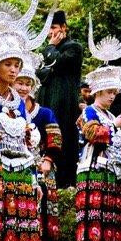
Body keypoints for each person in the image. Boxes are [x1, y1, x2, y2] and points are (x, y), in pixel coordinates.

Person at [0, 35, 45, 241]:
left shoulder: (19, 102)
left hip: (21, 167)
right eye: (8, 64)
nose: (13, 70)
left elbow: (26, 143)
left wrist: (34, 179)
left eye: (17, 65)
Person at [75, 65, 121, 241]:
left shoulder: (111, 115)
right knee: (95, 209)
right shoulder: (89, 112)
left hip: (112, 168)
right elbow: (92, 134)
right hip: (94, 166)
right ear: (98, 91)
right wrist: (114, 127)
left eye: (114, 93)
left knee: (112, 209)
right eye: (109, 92)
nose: (112, 96)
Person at [19, 61, 64, 241]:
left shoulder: (44, 113)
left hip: (41, 162)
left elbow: (55, 138)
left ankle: (43, 240)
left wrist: (48, 160)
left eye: (27, 84)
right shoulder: (9, 110)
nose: (23, 88)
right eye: (19, 83)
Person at [38, 10, 84, 184]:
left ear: (64, 27)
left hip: (65, 104)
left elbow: (59, 64)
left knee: (63, 137)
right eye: (48, 28)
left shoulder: (74, 48)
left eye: (54, 27)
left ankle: (65, 182)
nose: (51, 32)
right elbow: (40, 74)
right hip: (46, 101)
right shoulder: (47, 50)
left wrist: (50, 49)